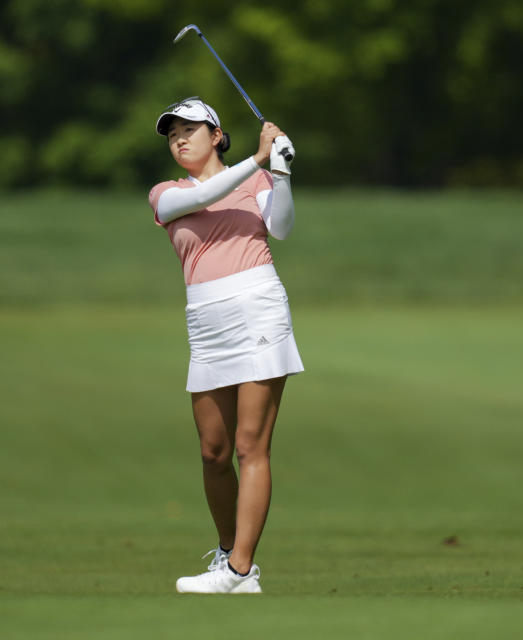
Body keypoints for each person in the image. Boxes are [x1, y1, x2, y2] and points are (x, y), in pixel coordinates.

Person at [148, 97, 304, 594]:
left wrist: (278, 174)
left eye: (190, 129)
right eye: (172, 133)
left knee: (249, 446)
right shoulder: (165, 193)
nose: (179, 138)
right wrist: (257, 160)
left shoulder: (255, 179)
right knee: (213, 452)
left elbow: (280, 228)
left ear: (217, 134)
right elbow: (200, 198)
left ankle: (241, 570)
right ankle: (226, 553)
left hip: (258, 307)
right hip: (207, 324)